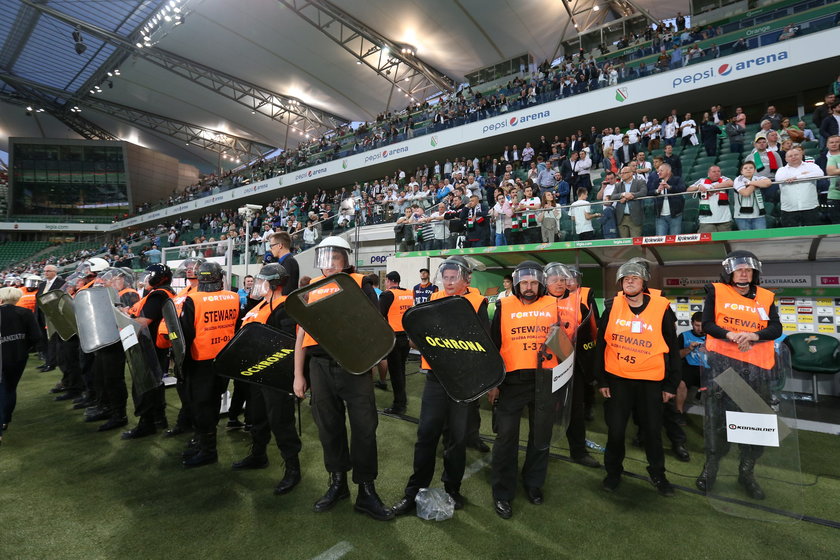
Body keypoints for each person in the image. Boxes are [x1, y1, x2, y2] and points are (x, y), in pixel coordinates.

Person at [293, 236, 393, 521]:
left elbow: (376, 327)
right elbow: (301, 334)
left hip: (355, 365)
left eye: (335, 258)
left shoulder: (361, 283)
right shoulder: (311, 289)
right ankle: (337, 483)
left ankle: (365, 489)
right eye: (325, 258)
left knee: (364, 427)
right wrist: (298, 374)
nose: (328, 264)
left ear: (346, 260)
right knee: (329, 426)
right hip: (319, 366)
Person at [391, 256, 489, 517]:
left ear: (466, 278)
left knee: (456, 440)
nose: (448, 281)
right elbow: (418, 335)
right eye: (445, 277)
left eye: (453, 277)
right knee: (426, 436)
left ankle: (452, 488)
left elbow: (485, 343)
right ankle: (413, 492)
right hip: (436, 379)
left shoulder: (478, 302)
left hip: (462, 381)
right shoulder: (433, 299)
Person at [696, 251, 782, 500]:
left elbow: (776, 328)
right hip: (723, 369)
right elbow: (709, 324)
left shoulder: (766, 297)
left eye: (748, 269)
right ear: (730, 272)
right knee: (718, 424)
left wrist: (754, 336)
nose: (744, 272)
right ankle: (710, 470)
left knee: (755, 427)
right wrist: (732, 335)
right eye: (739, 269)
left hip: (757, 371)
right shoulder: (716, 291)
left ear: (754, 273)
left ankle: (746, 473)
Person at [596, 260, 681, 496]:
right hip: (618, 381)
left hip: (651, 383)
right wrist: (602, 380)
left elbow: (672, 349)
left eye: (634, 277)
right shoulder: (612, 306)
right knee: (615, 432)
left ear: (644, 282)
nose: (630, 281)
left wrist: (671, 384)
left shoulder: (661, 308)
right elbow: (601, 345)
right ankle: (613, 473)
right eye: (625, 278)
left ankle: (658, 475)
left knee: (653, 432)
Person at [488, 261, 559, 519]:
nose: (529, 287)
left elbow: (563, 344)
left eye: (533, 282)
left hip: (544, 380)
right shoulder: (503, 306)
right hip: (511, 382)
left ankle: (533, 483)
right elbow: (494, 345)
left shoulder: (553, 305)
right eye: (524, 283)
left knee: (540, 437)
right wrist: (494, 384)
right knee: (506, 438)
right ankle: (502, 492)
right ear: (517, 284)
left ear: (540, 283)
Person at [232, 264, 303, 495]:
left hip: (275, 376)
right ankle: (258, 454)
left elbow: (288, 342)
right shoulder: (260, 305)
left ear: (273, 284)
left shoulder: (285, 307)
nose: (256, 285)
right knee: (257, 416)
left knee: (281, 421)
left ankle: (293, 468)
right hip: (256, 372)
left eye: (262, 281)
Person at [179, 261, 240, 467]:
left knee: (201, 405)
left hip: (200, 361)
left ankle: (207, 449)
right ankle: (203, 443)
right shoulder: (233, 297)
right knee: (213, 402)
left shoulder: (193, 299)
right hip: (224, 358)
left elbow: (184, 334)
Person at [544, 263, 600, 469]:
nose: (559, 283)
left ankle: (578, 451)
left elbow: (590, 335)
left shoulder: (579, 302)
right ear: (546, 282)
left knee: (575, 411)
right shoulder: (538, 302)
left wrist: (589, 366)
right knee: (543, 411)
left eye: (562, 280)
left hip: (572, 366)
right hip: (544, 368)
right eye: (554, 280)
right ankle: (541, 449)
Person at [123, 264, 175, 439]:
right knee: (155, 384)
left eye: (149, 275)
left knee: (144, 386)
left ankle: (147, 423)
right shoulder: (164, 292)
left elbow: (143, 322)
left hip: (150, 345)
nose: (145, 278)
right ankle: (159, 418)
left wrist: (124, 316)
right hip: (157, 345)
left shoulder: (158, 294)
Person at [0, 286, 41, 444]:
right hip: (18, 356)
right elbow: (36, 336)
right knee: (10, 387)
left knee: (3, 388)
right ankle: (5, 418)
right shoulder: (25, 313)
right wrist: (24, 348)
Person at [379, 271, 413, 415]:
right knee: (401, 370)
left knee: (395, 372)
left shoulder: (387, 295)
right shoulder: (409, 293)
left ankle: (399, 405)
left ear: (389, 280)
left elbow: (378, 314)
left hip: (392, 337)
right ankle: (402, 400)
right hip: (405, 336)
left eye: (386, 280)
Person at [774, 146, 822, 227]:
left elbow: (820, 174)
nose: (793, 157)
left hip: (810, 206)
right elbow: (779, 179)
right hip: (789, 209)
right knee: (790, 237)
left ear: (801, 155)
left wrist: (796, 177)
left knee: (813, 235)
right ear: (786, 159)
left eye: (796, 155)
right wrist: (805, 175)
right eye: (790, 156)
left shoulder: (812, 166)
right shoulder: (781, 170)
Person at [677, 311, 705, 424]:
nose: (699, 328)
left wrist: (710, 351)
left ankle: (719, 416)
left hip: (707, 369)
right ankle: (679, 413)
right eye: (697, 325)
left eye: (702, 325)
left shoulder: (712, 337)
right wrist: (689, 349)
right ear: (692, 323)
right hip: (690, 367)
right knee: (681, 383)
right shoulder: (684, 336)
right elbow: (677, 355)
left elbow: (721, 358)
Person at [35, 265, 65, 374]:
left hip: (54, 315)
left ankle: (52, 362)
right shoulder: (42, 284)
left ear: (55, 272)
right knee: (44, 339)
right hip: (42, 315)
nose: (46, 273)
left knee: (53, 339)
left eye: (48, 271)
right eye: (44, 271)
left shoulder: (62, 283)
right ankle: (48, 361)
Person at [687, 165, 733, 233]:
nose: (717, 173)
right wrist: (698, 187)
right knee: (707, 243)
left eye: (718, 171)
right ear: (708, 173)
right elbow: (689, 189)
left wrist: (713, 187)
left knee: (725, 241)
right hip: (706, 220)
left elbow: (731, 183)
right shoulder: (701, 181)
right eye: (714, 171)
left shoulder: (724, 179)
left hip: (724, 219)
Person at [733, 161, 772, 231]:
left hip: (758, 216)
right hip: (742, 216)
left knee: (761, 238)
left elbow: (768, 182)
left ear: (754, 170)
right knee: (747, 240)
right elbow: (745, 193)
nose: (748, 169)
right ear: (741, 171)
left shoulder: (758, 178)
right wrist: (756, 184)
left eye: (751, 168)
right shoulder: (738, 179)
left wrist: (750, 183)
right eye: (745, 168)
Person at [611, 167, 646, 238]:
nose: (621, 175)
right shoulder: (618, 185)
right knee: (624, 243)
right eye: (621, 173)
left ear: (631, 173)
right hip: (622, 217)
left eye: (624, 173)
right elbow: (613, 196)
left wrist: (631, 195)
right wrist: (623, 194)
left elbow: (643, 192)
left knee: (636, 242)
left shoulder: (640, 182)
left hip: (635, 217)